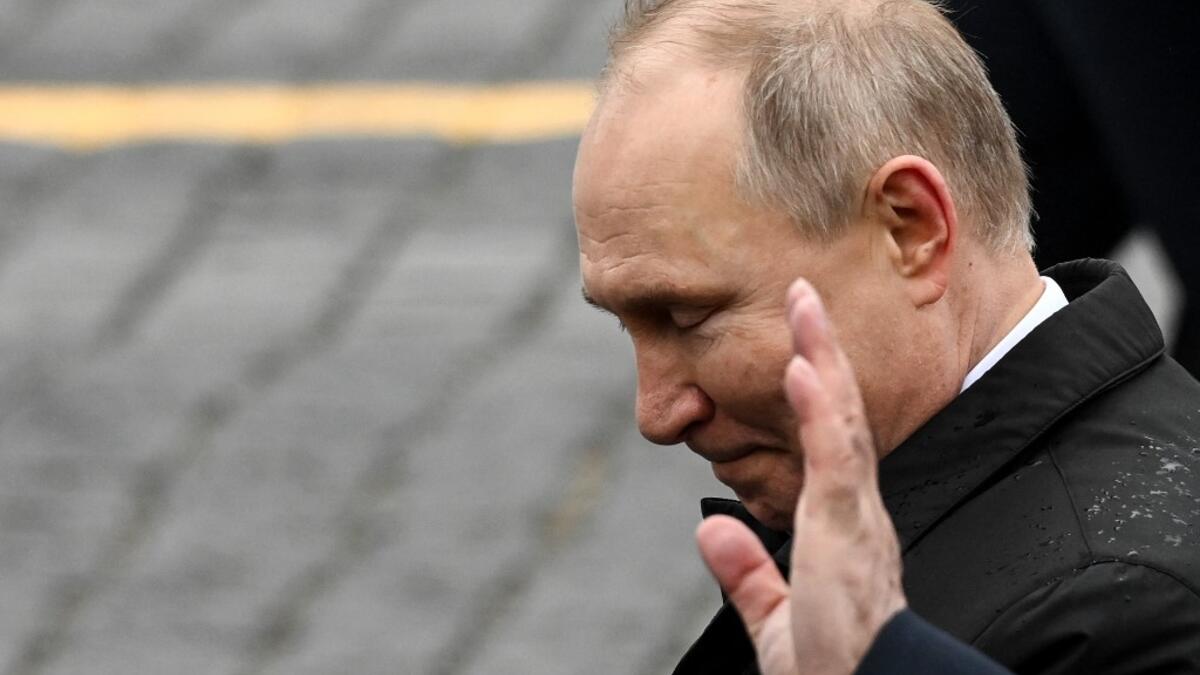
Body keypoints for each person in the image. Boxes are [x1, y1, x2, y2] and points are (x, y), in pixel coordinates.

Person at [572, 0, 1200, 673]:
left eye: (688, 317)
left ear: (912, 230)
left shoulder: (1129, 611)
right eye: (626, 323)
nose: (656, 413)